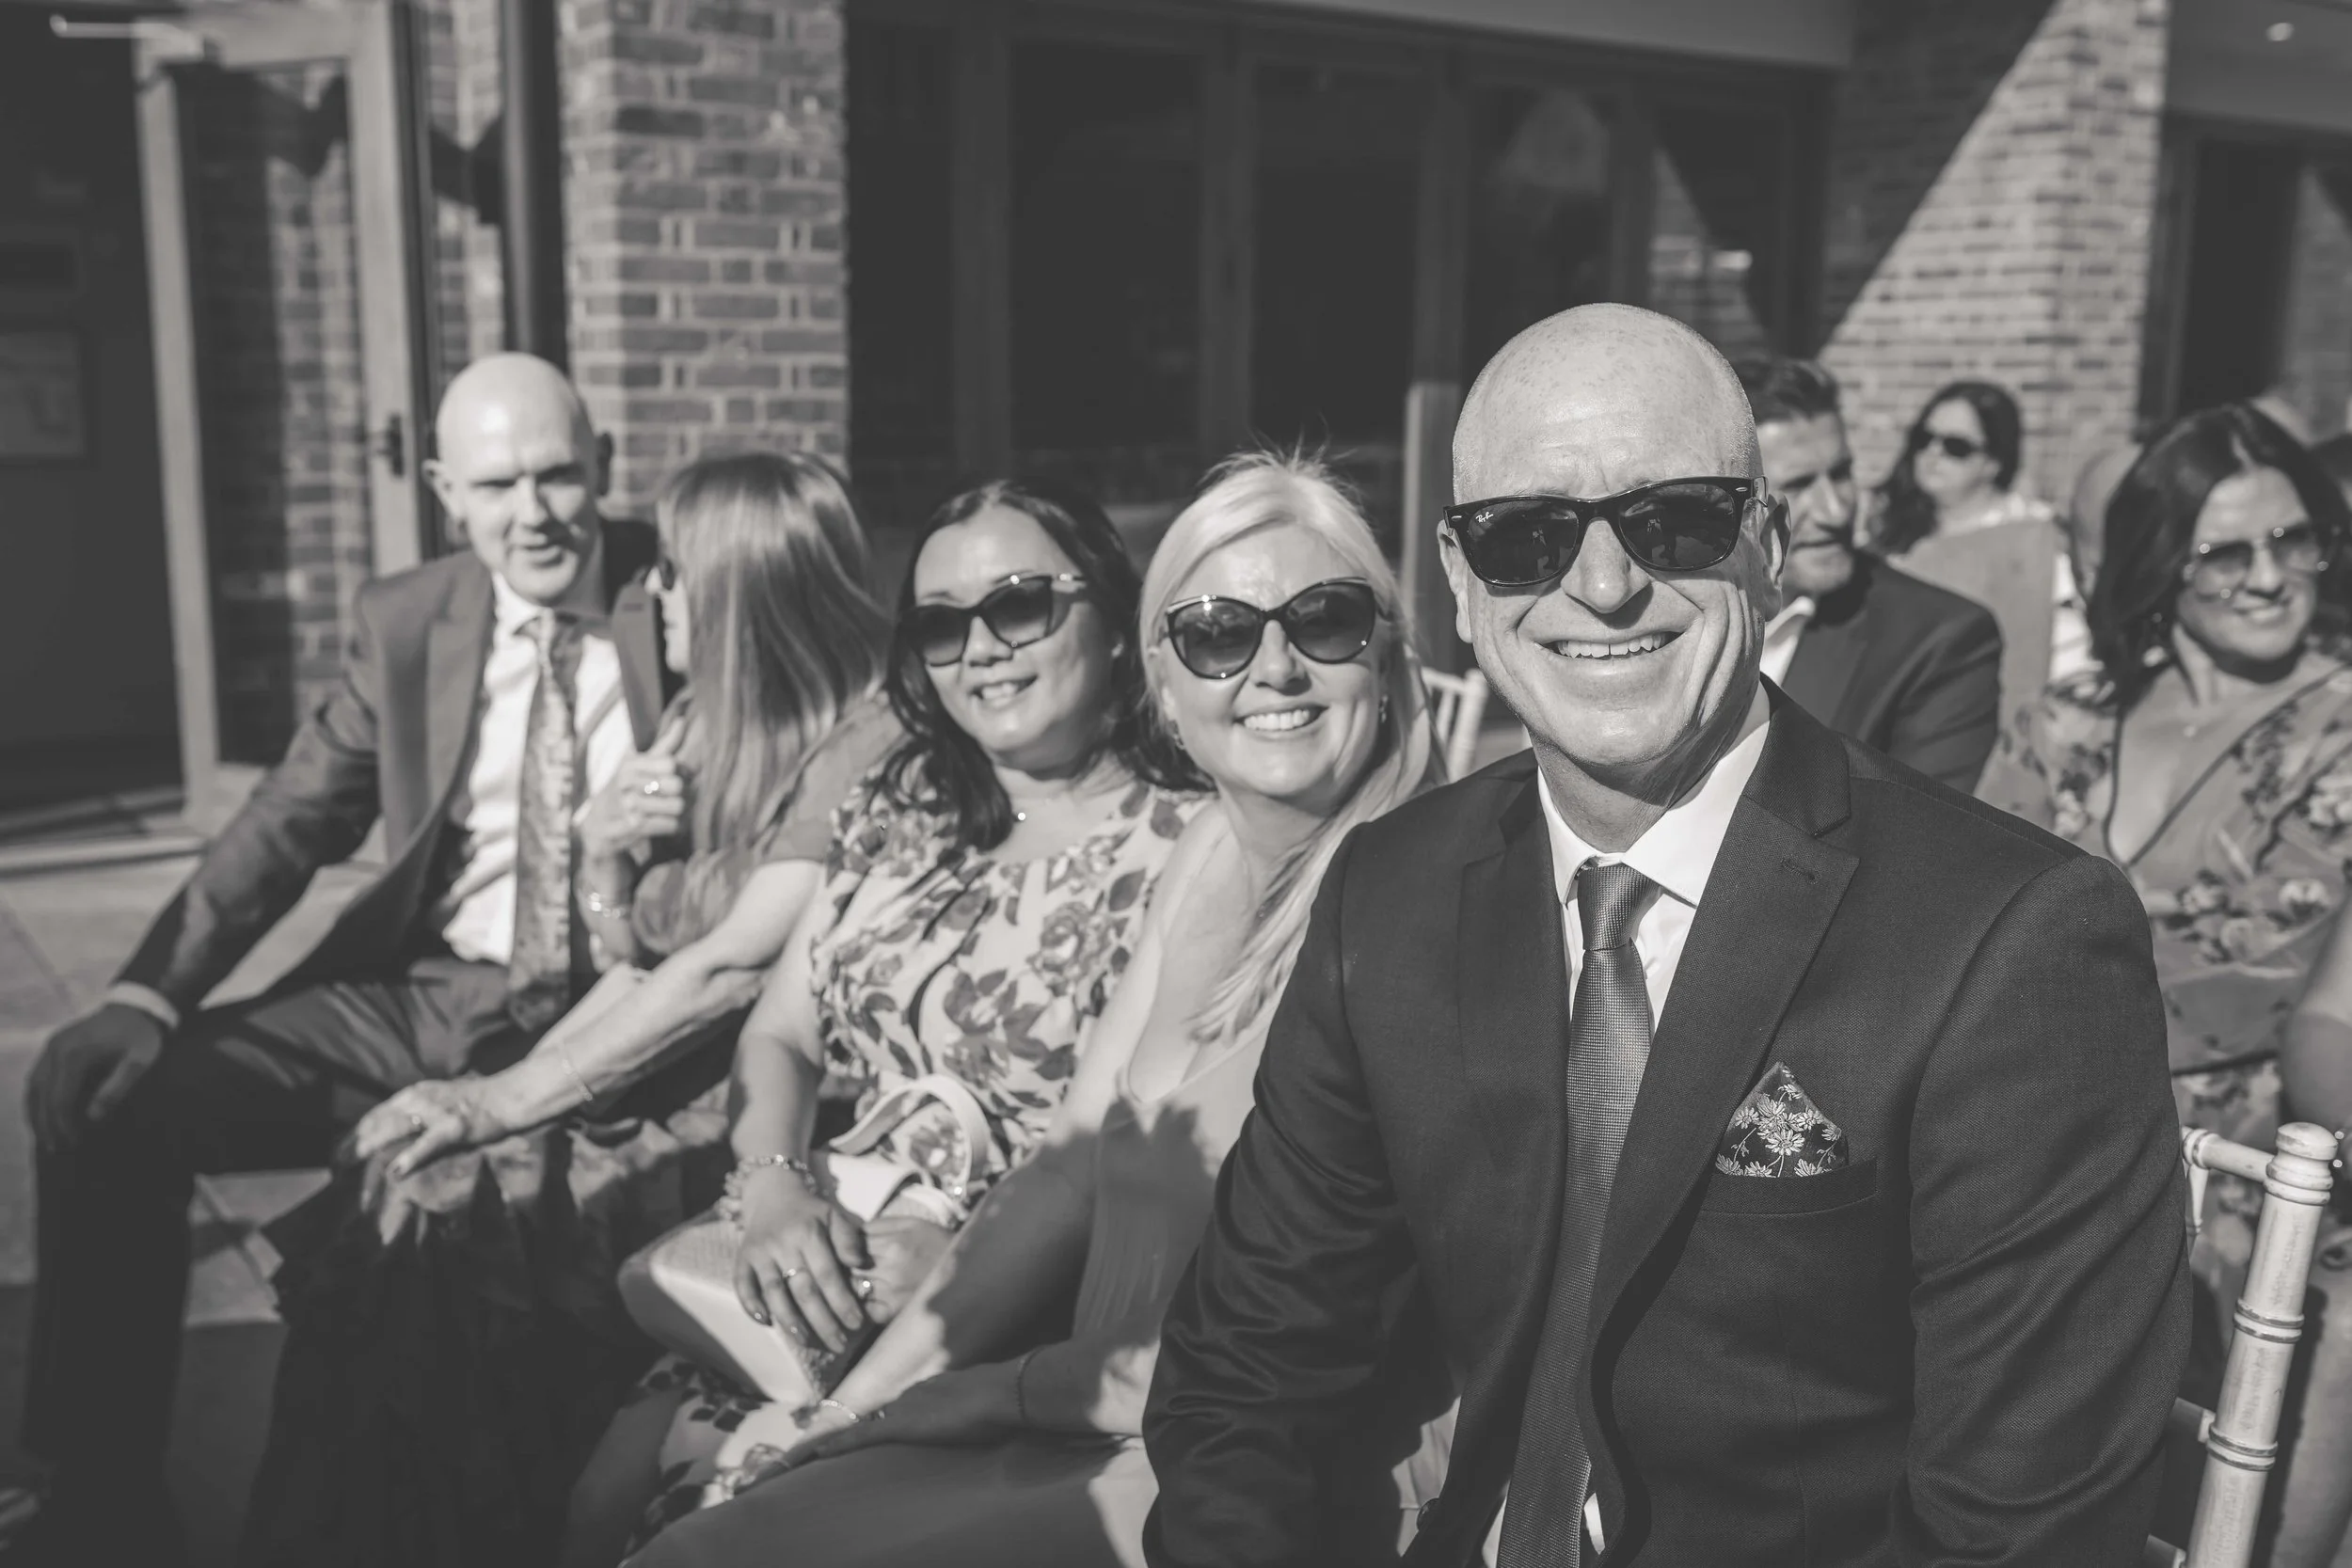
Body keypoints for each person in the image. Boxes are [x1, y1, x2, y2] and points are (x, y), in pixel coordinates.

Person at [1146, 304, 2188, 1567]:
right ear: (1462, 583)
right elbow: (1250, 1366)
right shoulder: (1396, 890)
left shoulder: (2010, 941)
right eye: (1527, 535)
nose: (1601, 584)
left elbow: (2024, 1526)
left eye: (1674, 520)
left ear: (1769, 541)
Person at [622, 453, 1441, 1568]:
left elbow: (1305, 1343)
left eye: (1326, 619)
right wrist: (860, 1403)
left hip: (1249, 1463)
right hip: (1069, 1403)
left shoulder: (1419, 908)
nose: (1275, 667)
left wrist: (979, 1394)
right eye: (1217, 631)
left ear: (1389, 648)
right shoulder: (1205, 856)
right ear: (1168, 672)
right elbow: (1060, 1169)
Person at [7, 355, 673, 1563]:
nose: (534, 511)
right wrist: (142, 995)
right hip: (426, 995)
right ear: (442, 491)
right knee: (109, 1104)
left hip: (610, 997)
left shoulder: (681, 593)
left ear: (605, 467)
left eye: (559, 473)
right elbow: (289, 821)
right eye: (496, 482)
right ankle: (98, 1487)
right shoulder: (407, 620)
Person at [231, 451, 903, 1568]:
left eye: (676, 576)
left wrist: (496, 1102)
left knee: (440, 1216)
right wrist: (598, 853)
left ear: (745, 596)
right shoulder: (705, 718)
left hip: (753, 1106)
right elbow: (625, 956)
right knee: (397, 1185)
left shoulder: (870, 743)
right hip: (658, 1069)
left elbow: (730, 970)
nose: (653, 599)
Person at [561, 479, 1202, 1563]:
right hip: (816, 1264)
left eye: (1020, 604)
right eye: (943, 623)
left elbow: (1154, 1160)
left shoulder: (1188, 845)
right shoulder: (906, 798)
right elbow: (781, 1030)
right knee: (598, 1490)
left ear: (1113, 613)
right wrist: (770, 1184)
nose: (982, 648)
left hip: (1014, 1329)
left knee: (704, 1524)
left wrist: (958, 1260)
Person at [1981, 403, 2352, 1568]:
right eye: (2228, 551)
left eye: (2296, 541)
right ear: (2158, 563)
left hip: (2246, 1181)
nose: (2270, 577)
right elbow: (1950, 919)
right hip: (2023, 1148)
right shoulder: (2068, 718)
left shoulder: (2341, 727)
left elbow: (2260, 983)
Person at [1736, 356, 2002, 791]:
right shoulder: (1671, 605)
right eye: (1800, 485)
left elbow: (1918, 842)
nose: (1837, 510)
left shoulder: (1941, 640)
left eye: (1841, 474)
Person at [1873, 380, 2070, 736]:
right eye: (1924, 438)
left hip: (1985, 728)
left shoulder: (2033, 538)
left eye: (1956, 447)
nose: (1933, 454)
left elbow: (2061, 655)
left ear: (1993, 462)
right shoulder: (1887, 526)